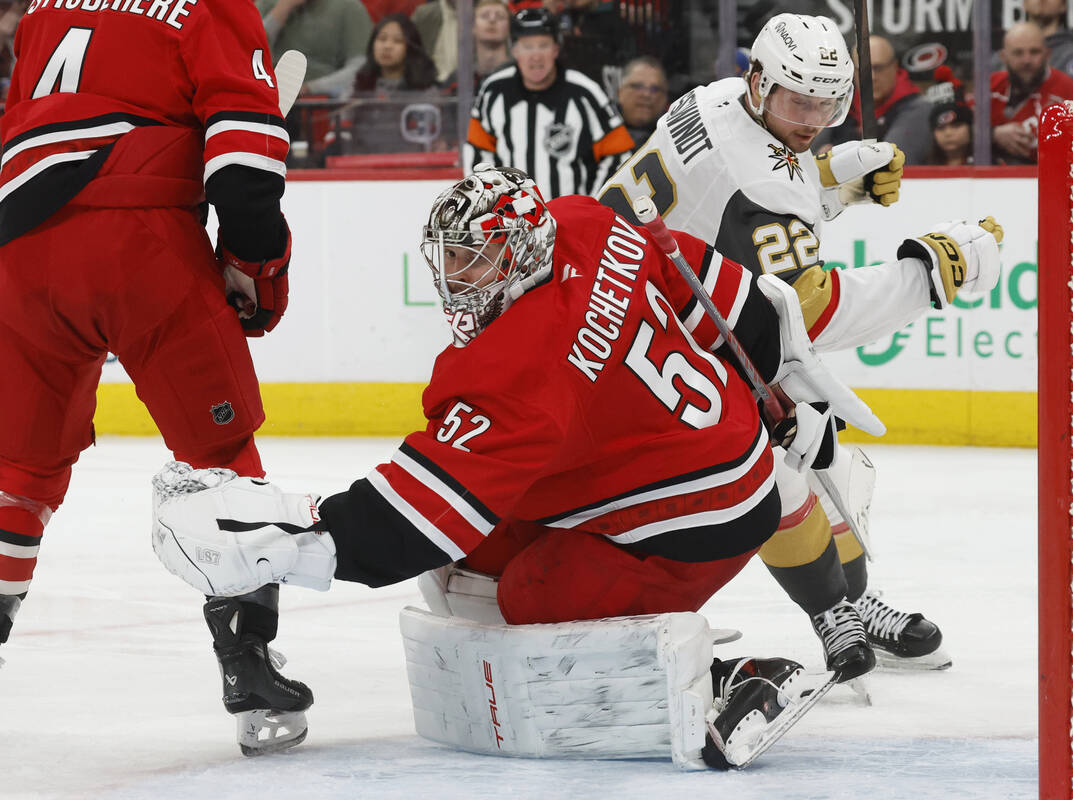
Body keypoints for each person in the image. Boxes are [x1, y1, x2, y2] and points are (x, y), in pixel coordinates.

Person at [149, 165, 1002, 762]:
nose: (457, 280)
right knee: (470, 563)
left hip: (697, 520)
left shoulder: (518, 370)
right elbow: (735, 305)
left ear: (518, 254)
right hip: (699, 452)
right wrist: (794, 393)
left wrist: (293, 539)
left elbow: (421, 515)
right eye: (450, 260)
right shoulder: (587, 223)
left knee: (522, 595)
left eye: (476, 260)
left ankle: (717, 679)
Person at [600, 14, 976, 679]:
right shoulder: (761, 180)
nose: (810, 118)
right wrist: (927, 275)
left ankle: (852, 603)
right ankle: (832, 609)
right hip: (646, 345)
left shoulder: (716, 99)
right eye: (797, 101)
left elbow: (730, 196)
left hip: (644, 309)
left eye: (828, 104)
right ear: (759, 80)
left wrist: (830, 179)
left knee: (808, 451)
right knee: (778, 468)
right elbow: (810, 310)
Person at [0, 0, 301, 758]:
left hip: (20, 248)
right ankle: (250, 668)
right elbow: (244, 159)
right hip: (141, 239)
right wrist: (256, 267)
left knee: (14, 473)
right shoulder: (210, 5)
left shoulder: (42, 6)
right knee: (223, 457)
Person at [463, 7, 635, 197]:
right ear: (514, 50)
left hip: (571, 222)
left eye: (543, 45)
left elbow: (619, 155)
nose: (536, 55)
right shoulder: (494, 91)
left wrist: (593, 207)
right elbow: (478, 154)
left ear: (555, 49)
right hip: (512, 222)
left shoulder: (585, 93)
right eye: (528, 46)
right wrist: (493, 205)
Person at [336, 13, 441, 154]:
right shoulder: (356, 87)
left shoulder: (426, 91)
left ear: (410, 47)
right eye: (381, 39)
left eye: (397, 41)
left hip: (413, 169)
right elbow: (340, 138)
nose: (387, 46)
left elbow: (436, 145)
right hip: (361, 168)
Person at [821, 34, 933, 165]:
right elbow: (808, 159)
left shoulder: (917, 108)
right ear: (852, 71)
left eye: (878, 68)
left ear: (895, 66)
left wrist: (834, 160)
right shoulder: (840, 104)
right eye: (864, 69)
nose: (872, 77)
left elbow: (890, 164)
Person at [990, 21, 1073, 165]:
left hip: (1044, 177)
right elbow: (961, 132)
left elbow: (1071, 149)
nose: (1027, 60)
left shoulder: (1066, 89)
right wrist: (993, 134)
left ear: (1047, 54)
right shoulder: (991, 86)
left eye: (1034, 52)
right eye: (1018, 53)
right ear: (1003, 57)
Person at [258, 0, 373, 97]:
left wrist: (310, 88)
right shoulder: (265, 3)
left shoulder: (350, 7)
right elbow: (250, 50)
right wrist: (282, 9)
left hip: (325, 101)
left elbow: (360, 66)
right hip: (268, 91)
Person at [990, 0, 1073, 93]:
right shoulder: (1000, 57)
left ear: (1064, 5)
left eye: (1034, 52)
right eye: (1018, 53)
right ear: (1024, 3)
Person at [617, 55, 670, 149]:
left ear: (665, 98)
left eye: (655, 89)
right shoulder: (599, 133)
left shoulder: (672, 141)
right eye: (637, 86)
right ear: (620, 93)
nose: (646, 95)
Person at [929, 101, 974, 166]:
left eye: (956, 126)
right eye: (941, 128)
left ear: (970, 129)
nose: (948, 133)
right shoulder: (924, 167)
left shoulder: (987, 163)